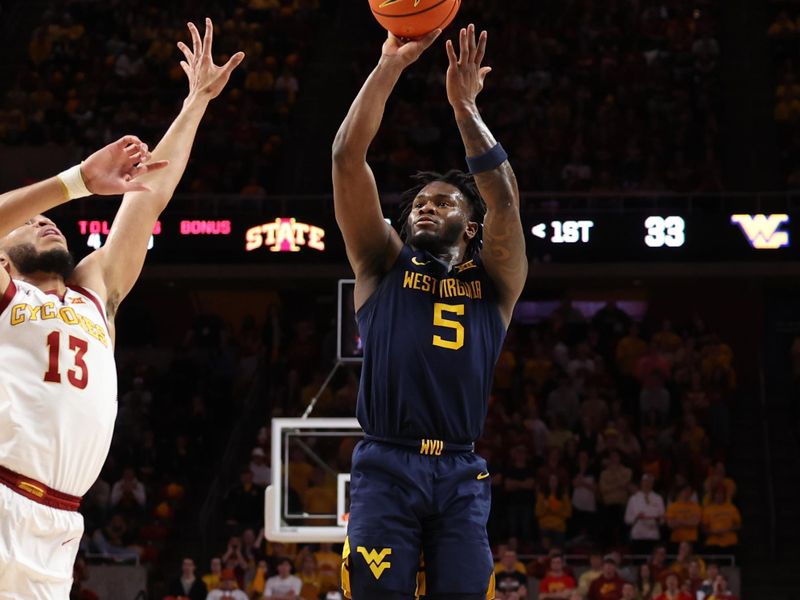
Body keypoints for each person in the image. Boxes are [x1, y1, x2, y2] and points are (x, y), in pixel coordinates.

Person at [0, 19, 243, 598]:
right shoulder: (7, 293)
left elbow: (150, 194)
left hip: (59, 522)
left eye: (50, 219)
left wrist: (195, 104)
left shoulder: (94, 294)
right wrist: (73, 182)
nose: (45, 221)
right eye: (29, 222)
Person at [332, 22, 527, 600]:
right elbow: (347, 157)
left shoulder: (496, 281)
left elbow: (505, 199)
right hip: (386, 465)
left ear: (470, 227)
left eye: (440, 202)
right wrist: (390, 65)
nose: (423, 207)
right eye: (418, 201)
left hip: (461, 472)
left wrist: (464, 106)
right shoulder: (382, 262)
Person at [624, 474, 665, 554]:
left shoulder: (658, 498)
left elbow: (663, 519)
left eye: (650, 482)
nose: (647, 484)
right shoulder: (634, 499)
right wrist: (637, 517)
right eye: (645, 481)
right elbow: (627, 519)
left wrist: (658, 519)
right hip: (638, 536)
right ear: (641, 483)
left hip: (653, 536)